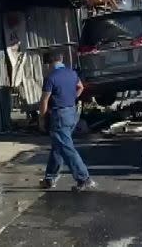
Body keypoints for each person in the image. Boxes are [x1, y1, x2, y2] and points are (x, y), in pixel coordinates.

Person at [39, 50, 96, 191]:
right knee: (58, 146)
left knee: (66, 148)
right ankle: (49, 178)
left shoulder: (51, 78)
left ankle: (84, 178)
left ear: (49, 64)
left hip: (59, 115)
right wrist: (72, 97)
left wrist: (42, 117)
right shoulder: (72, 73)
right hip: (72, 112)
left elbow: (44, 100)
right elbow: (80, 87)